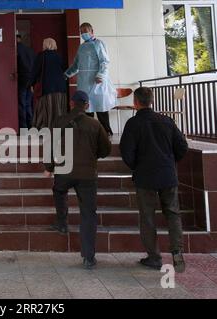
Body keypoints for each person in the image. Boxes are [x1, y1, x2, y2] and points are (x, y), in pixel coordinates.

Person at [120, 87, 188, 273]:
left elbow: (126, 152)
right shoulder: (167, 121)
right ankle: (177, 253)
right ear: (151, 101)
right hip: (167, 174)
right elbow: (182, 146)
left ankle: (154, 257)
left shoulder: (133, 124)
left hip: (145, 177)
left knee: (148, 217)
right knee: (173, 214)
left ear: (135, 102)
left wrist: (137, 166)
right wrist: (170, 162)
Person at [44, 90, 111, 269]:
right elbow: (106, 150)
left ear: (71, 104)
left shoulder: (59, 121)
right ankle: (89, 257)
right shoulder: (95, 124)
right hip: (87, 174)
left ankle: (61, 223)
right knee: (88, 214)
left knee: (59, 190)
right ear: (87, 105)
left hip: (64, 172)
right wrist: (92, 155)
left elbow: (51, 146)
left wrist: (49, 167)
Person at [65, 23, 114, 136]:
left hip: (97, 82)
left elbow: (104, 61)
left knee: (101, 109)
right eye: (81, 31)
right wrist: (67, 74)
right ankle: (89, 134)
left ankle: (107, 132)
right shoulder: (81, 47)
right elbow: (76, 65)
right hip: (83, 82)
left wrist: (101, 75)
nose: (83, 33)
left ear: (92, 30)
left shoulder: (98, 44)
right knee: (87, 109)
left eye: (85, 31)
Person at [31, 38, 67, 130]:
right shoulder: (59, 56)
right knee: (59, 108)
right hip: (61, 87)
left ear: (45, 45)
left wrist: (31, 84)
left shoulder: (41, 56)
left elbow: (35, 71)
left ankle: (45, 128)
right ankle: (59, 129)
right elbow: (64, 70)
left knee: (46, 109)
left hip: (47, 87)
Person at [17, 34, 36, 129]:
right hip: (31, 80)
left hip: (21, 80)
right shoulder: (29, 50)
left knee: (22, 104)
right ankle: (31, 125)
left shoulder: (15, 49)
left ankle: (23, 127)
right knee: (28, 104)